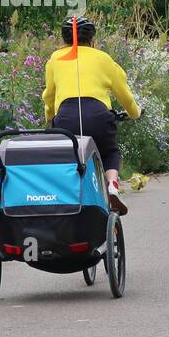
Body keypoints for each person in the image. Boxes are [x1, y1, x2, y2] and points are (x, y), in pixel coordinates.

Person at [42, 16, 140, 215]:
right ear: (92, 38)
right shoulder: (103, 59)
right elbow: (125, 95)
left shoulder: (55, 60)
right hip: (98, 115)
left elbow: (49, 96)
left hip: (66, 117)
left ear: (64, 39)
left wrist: (50, 117)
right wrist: (135, 113)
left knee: (67, 157)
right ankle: (112, 185)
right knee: (110, 152)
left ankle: (64, 197)